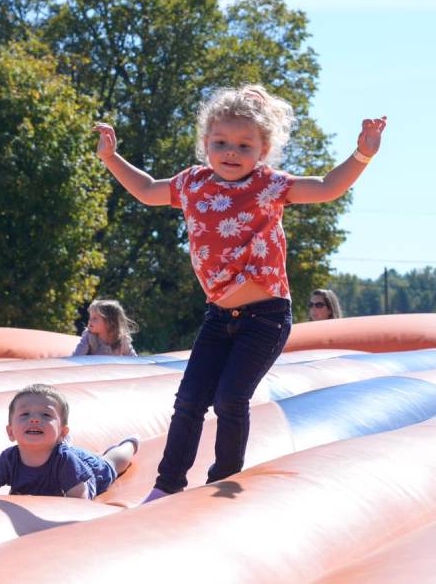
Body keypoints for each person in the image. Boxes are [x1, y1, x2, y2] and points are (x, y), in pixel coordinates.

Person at [93, 84, 386, 501]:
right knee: (190, 400)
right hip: (218, 317)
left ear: (263, 150)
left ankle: (222, 480)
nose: (231, 152)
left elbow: (325, 187)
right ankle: (167, 484)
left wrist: (363, 154)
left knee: (231, 399)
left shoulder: (269, 185)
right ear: (205, 144)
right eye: (221, 143)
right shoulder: (192, 183)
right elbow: (146, 190)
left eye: (244, 145)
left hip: (265, 317)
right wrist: (111, 158)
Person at [0, 384, 138, 499]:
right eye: (25, 414)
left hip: (90, 469)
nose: (34, 419)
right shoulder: (8, 460)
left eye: (46, 415)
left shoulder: (65, 461)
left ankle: (129, 444)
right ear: (10, 431)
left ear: (62, 432)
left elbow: (80, 499)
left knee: (115, 462)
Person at [72, 299, 139, 356]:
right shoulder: (89, 337)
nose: (90, 321)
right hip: (93, 370)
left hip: (112, 371)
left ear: (110, 322)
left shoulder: (122, 340)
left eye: (95, 318)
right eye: (90, 317)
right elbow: (77, 356)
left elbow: (133, 359)